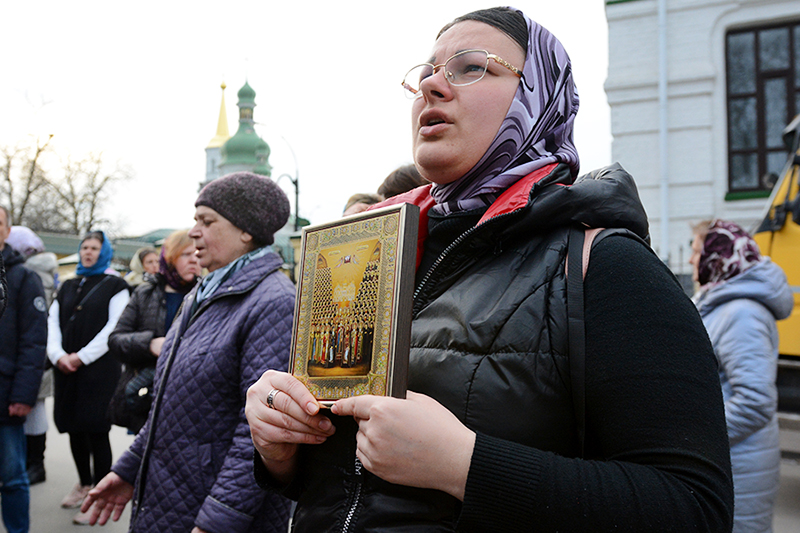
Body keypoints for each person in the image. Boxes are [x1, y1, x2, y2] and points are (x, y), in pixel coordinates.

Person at [245, 7, 734, 532]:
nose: (432, 85)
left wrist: (464, 464)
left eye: (471, 66)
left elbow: (693, 509)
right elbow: (349, 486)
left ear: (539, 98)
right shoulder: (369, 255)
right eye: (427, 71)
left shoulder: (604, 263)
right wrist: (281, 444)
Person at [81, 172, 295, 533]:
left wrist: (217, 521)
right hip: (172, 496)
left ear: (246, 231)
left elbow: (260, 436)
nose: (194, 231)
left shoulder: (274, 302)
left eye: (206, 221)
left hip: (208, 510)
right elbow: (168, 406)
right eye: (195, 220)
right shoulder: (203, 292)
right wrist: (128, 470)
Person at [690, 219, 792, 533]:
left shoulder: (742, 313)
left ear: (716, 256)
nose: (693, 259)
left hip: (740, 465)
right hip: (732, 460)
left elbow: (755, 402)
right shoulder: (722, 304)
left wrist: (696, 440)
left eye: (696, 251)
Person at [46, 230, 130, 525]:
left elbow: (113, 327)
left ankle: (99, 490)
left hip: (97, 370)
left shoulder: (116, 286)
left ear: (103, 252)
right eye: (85, 247)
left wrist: (81, 357)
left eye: (95, 248)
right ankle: (83, 483)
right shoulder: (68, 285)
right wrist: (58, 355)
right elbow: (52, 323)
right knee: (73, 427)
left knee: (96, 428)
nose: (88, 252)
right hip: (66, 369)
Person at [108, 230, 201, 434]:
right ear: (169, 259)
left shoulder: (206, 295)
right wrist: (150, 344)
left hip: (191, 400)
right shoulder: (145, 293)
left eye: (197, 253)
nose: (194, 260)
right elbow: (115, 340)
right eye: (186, 254)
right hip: (147, 398)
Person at [0, 207, 47, 533]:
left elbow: (34, 342)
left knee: (12, 476)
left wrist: (23, 394)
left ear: (6, 230)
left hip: (5, 397)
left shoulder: (23, 277)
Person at [6, 226, 59, 485]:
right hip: (38, 354)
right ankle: (34, 463)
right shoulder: (44, 270)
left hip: (30, 356)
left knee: (33, 408)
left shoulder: (29, 274)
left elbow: (31, 326)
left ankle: (34, 463)